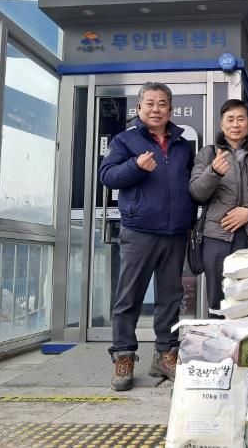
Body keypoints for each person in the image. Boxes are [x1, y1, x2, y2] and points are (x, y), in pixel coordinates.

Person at [99, 81, 195, 391]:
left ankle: (165, 355)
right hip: (139, 230)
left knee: (171, 298)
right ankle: (124, 357)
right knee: (129, 298)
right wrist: (135, 166)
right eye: (150, 103)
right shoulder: (125, 140)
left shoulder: (183, 145)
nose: (156, 109)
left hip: (175, 232)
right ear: (139, 108)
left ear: (171, 109)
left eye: (162, 104)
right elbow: (107, 176)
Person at [189, 99, 248, 316]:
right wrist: (213, 173)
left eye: (241, 119)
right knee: (218, 301)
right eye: (230, 119)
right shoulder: (208, 154)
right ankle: (219, 338)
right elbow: (196, 193)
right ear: (222, 124)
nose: (235, 124)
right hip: (216, 237)